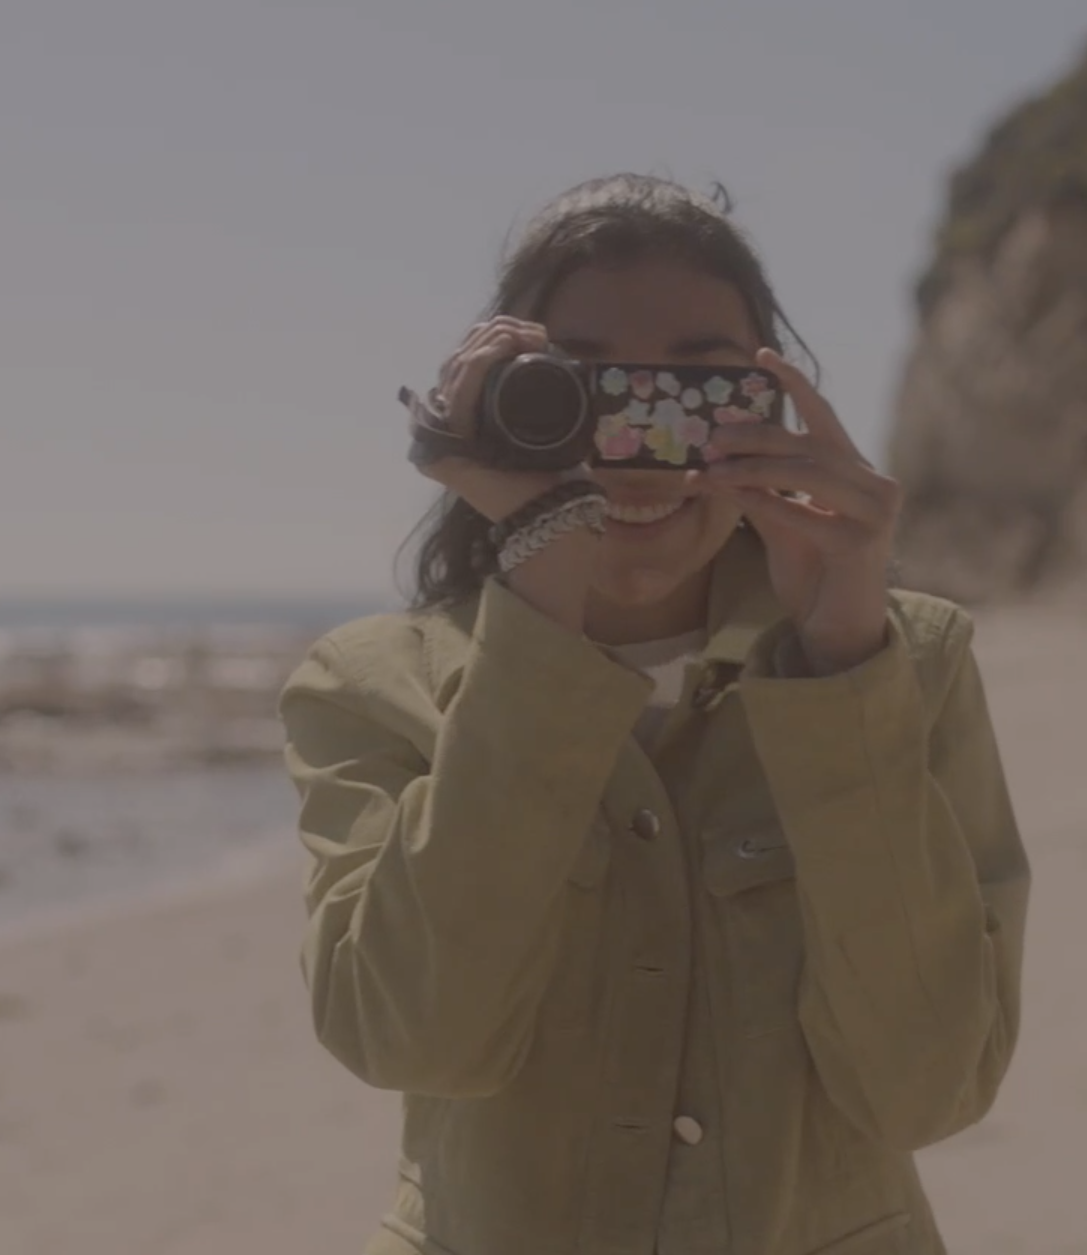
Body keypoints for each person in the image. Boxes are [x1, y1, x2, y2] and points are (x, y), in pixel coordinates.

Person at [277, 173, 1030, 1255]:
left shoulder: (905, 663)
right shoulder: (367, 683)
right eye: (580, 388)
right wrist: (544, 567)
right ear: (499, 408)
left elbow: (928, 1087)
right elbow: (412, 1037)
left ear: (771, 404)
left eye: (699, 386)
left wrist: (842, 672)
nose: (636, 435)